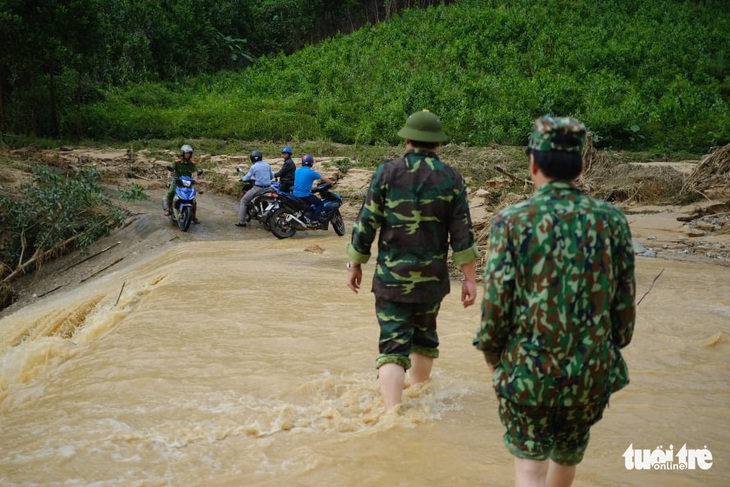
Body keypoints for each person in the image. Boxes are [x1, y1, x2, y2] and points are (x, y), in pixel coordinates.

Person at [473, 115, 636, 487]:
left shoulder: (511, 222)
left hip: (527, 372)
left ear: (532, 163)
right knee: (568, 454)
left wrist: (494, 362)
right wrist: (607, 351)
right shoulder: (611, 220)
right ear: (580, 165)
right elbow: (624, 308)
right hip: (589, 371)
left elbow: (496, 305)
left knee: (529, 466)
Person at [346, 109, 480, 411]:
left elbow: (366, 222)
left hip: (391, 281)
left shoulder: (387, 173)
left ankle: (392, 412)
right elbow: (463, 234)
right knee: (424, 339)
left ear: (407, 139)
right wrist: (470, 279)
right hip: (431, 281)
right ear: (438, 144)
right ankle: (420, 397)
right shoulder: (451, 178)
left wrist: (356, 264)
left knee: (393, 346)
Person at [236, 150, 275, 227]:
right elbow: (271, 176)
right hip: (269, 188)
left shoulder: (253, 167)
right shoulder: (267, 165)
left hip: (258, 188)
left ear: (252, 159)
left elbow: (247, 176)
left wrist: (242, 179)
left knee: (244, 201)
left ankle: (241, 222)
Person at [165, 144, 203, 223]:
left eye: (189, 153)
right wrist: (169, 176)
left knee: (193, 200)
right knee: (170, 192)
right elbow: (171, 169)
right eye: (186, 153)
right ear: (182, 153)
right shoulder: (177, 162)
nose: (188, 155)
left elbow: (195, 173)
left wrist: (196, 179)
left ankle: (193, 216)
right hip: (177, 182)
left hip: (187, 183)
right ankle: (169, 209)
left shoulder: (192, 164)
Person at [292, 154, 334, 222]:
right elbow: (323, 178)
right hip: (305, 195)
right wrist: (331, 182)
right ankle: (314, 220)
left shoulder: (297, 171)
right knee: (320, 204)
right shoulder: (311, 172)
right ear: (311, 162)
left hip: (295, 194)